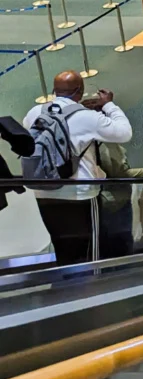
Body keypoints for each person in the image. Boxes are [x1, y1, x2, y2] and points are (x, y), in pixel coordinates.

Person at [21, 70, 133, 265]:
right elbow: (124, 133)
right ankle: (92, 290)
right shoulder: (87, 117)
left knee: (63, 248)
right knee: (90, 250)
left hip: (44, 193)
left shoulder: (34, 113)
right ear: (80, 91)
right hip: (81, 194)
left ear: (54, 91)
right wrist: (108, 104)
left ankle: (68, 289)